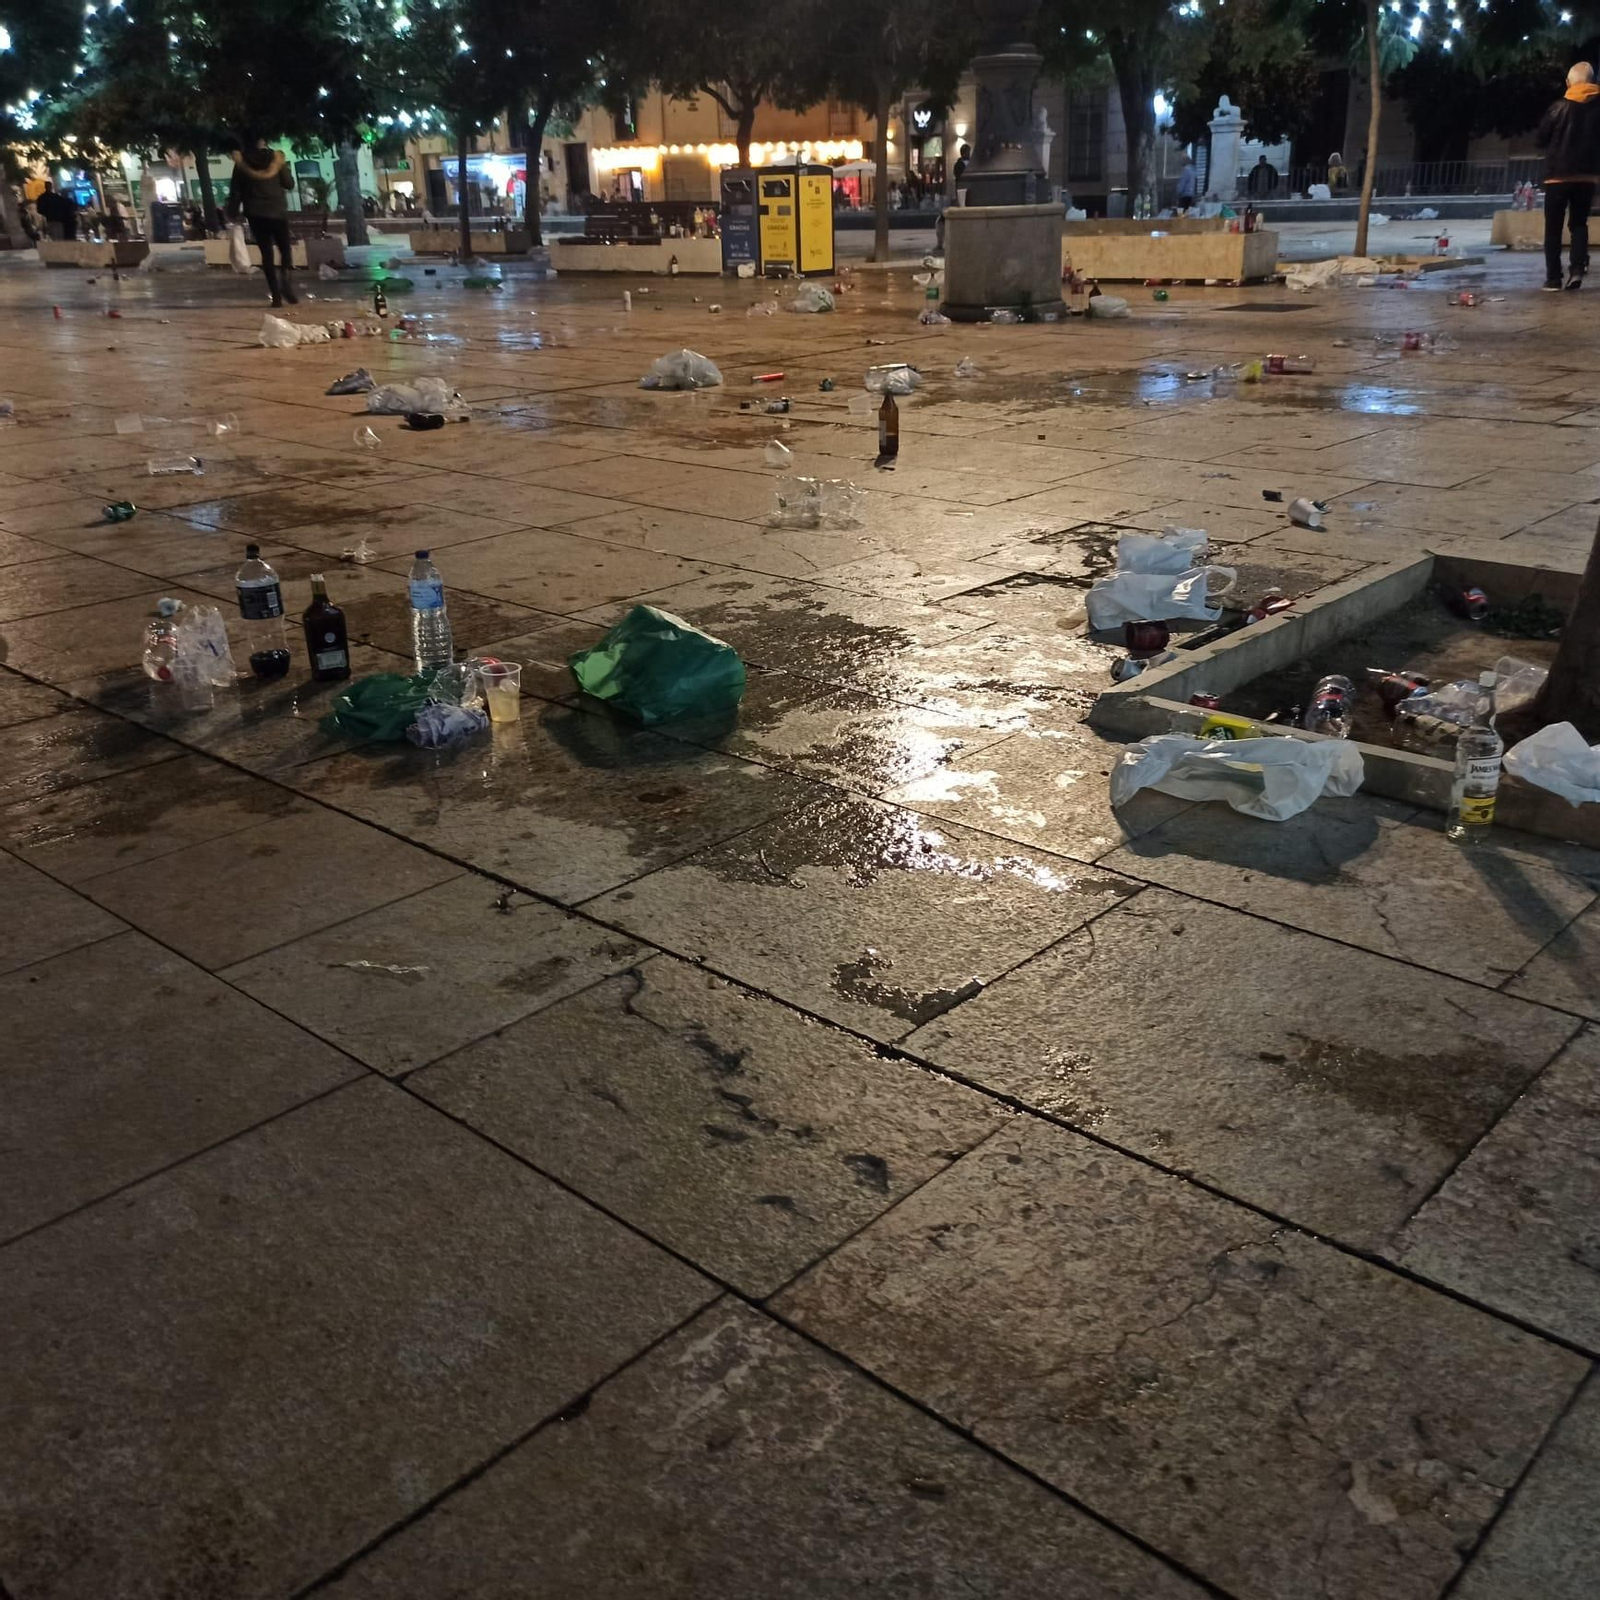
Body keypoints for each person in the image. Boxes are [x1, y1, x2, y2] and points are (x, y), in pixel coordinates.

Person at [1537, 61, 1600, 290]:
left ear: (1568, 83)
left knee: (1553, 227)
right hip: (1587, 176)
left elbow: (1541, 138)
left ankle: (1553, 278)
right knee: (1579, 224)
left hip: (1558, 176)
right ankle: (1577, 270)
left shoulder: (1557, 107)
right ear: (1591, 82)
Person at [224, 132, 297, 306]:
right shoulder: (277, 160)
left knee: (267, 254)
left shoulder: (242, 164)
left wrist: (231, 213)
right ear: (264, 141)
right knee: (285, 250)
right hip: (277, 211)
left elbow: (236, 192)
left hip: (256, 214)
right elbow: (289, 184)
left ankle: (276, 296)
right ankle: (285, 282)